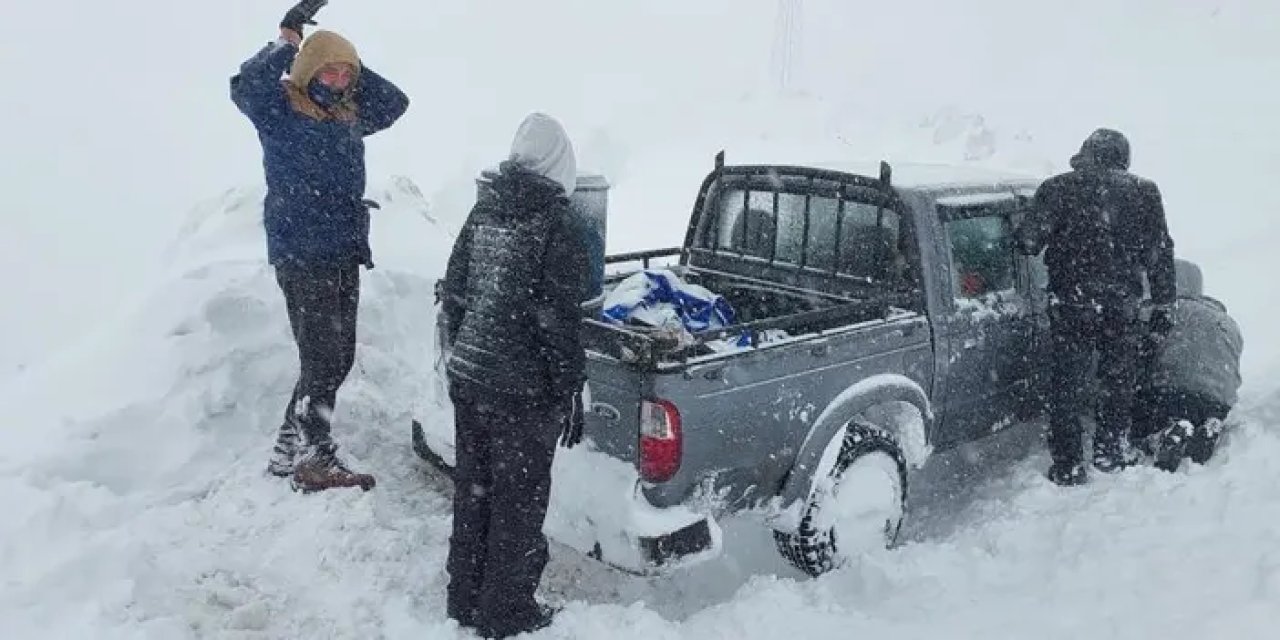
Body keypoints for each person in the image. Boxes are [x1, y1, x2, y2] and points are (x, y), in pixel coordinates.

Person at [230, 3, 410, 492]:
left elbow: (395, 102)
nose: (336, 79)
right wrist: (291, 41)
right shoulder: (281, 112)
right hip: (301, 250)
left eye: (344, 73)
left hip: (342, 248)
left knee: (334, 355)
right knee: (324, 356)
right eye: (327, 70)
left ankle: (291, 447)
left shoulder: (348, 115)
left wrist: (346, 58)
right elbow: (244, 87)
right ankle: (314, 456)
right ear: (307, 70)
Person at [440, 113, 592, 638]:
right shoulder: (560, 224)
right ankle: (505, 612)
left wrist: (463, 353)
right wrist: (570, 384)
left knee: (475, 491)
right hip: (522, 392)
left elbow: (454, 291)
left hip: (472, 379)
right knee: (518, 504)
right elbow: (558, 318)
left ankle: (464, 597)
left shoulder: (486, 208)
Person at [1017, 128, 1178, 486]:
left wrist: (1030, 227)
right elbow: (1160, 253)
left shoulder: (1057, 188)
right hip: (1121, 307)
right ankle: (1110, 452)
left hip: (1072, 304)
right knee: (1118, 382)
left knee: (1066, 386)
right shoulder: (1144, 192)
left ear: (1086, 154)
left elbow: (1028, 242)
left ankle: (1068, 465)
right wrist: (1165, 303)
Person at [1133, 261, 1243, 471]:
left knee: (1139, 423)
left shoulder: (1159, 314)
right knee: (1201, 408)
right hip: (1216, 400)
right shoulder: (1228, 323)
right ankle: (1210, 425)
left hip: (1170, 396)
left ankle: (1164, 435)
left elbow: (1140, 361)